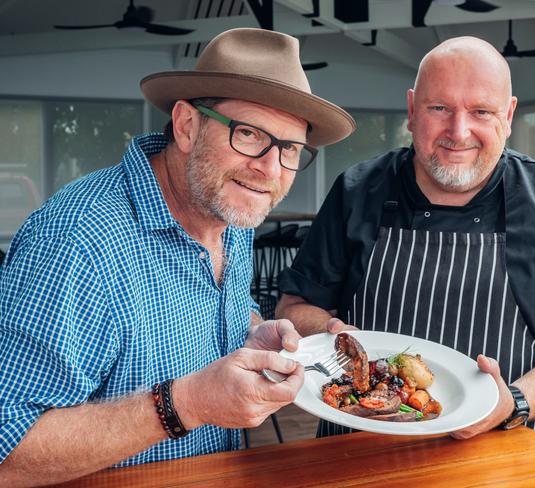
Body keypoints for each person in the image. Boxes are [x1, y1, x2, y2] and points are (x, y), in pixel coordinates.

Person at [0, 28, 355, 485]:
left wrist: (251, 330)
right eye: (248, 134)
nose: (269, 169)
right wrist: (188, 403)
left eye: (289, 149)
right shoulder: (77, 241)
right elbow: (7, 451)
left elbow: (211, 309)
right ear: (187, 126)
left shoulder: (227, 212)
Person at [277, 36, 535, 441]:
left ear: (509, 115)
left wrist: (513, 402)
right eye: (439, 108)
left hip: (503, 457)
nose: (458, 132)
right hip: (361, 450)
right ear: (411, 110)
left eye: (481, 111)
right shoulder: (358, 190)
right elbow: (294, 306)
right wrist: (332, 333)